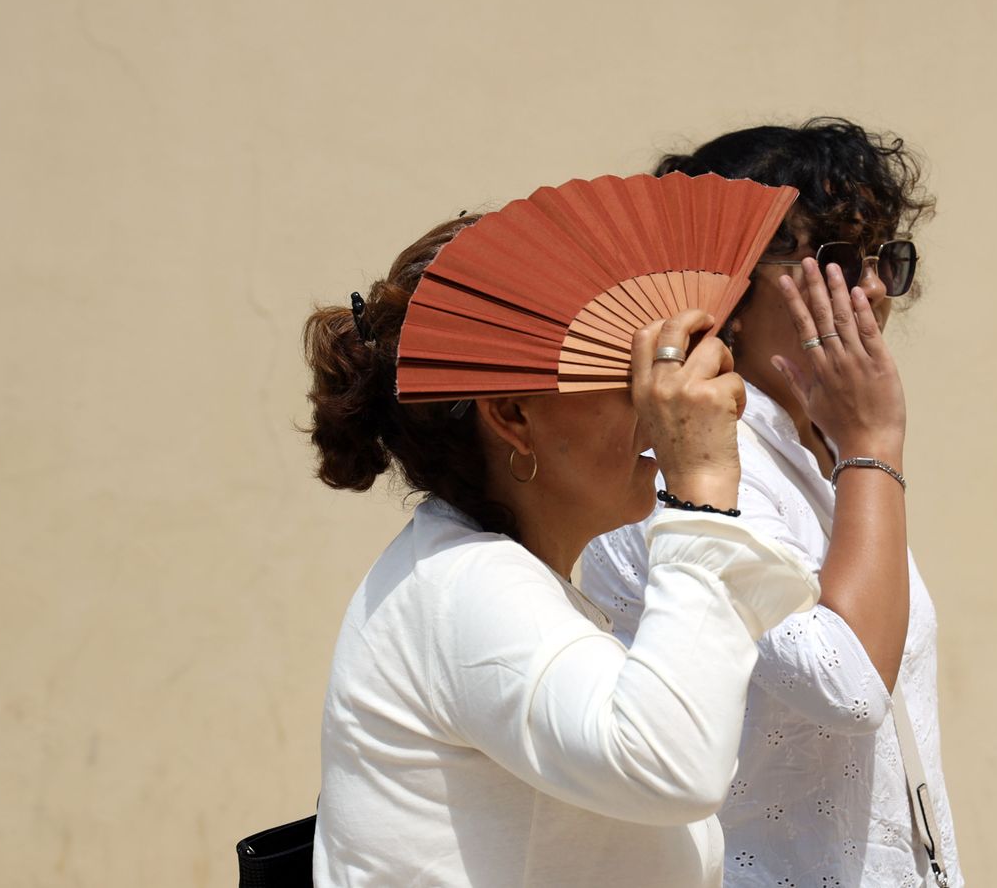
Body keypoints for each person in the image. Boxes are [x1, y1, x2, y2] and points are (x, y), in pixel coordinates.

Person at [305, 212, 821, 887]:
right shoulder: (468, 585)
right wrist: (700, 492)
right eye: (623, 366)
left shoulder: (488, 574)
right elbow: (670, 766)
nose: (655, 397)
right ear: (513, 414)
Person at [582, 118, 963, 887]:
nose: (876, 291)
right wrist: (874, 445)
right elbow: (848, 683)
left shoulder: (813, 451)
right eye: (839, 261)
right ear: (727, 291)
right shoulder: (680, 469)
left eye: (885, 257)